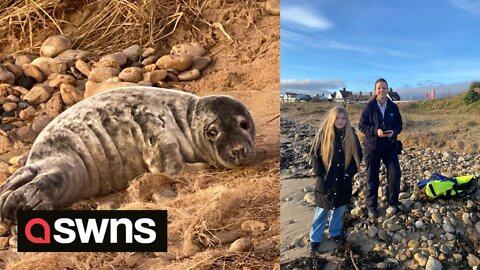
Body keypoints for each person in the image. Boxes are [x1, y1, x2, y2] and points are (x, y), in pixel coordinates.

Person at [308, 106, 362, 255]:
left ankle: (335, 233)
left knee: (339, 210)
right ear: (332, 119)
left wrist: (350, 172)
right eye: (337, 118)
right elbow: (315, 155)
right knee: (321, 211)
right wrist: (320, 173)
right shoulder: (323, 134)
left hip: (343, 181)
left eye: (343, 118)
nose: (340, 121)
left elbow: (358, 155)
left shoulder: (351, 135)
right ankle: (315, 238)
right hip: (326, 182)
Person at [359, 78, 403, 220]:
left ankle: (393, 202)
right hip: (372, 146)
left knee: (395, 173)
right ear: (375, 90)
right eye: (379, 88)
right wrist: (374, 131)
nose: (382, 90)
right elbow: (362, 125)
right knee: (372, 176)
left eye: (384, 88)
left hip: (389, 145)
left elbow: (399, 125)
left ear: (387, 89)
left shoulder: (393, 107)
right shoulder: (369, 106)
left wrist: (393, 132)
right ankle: (372, 206)